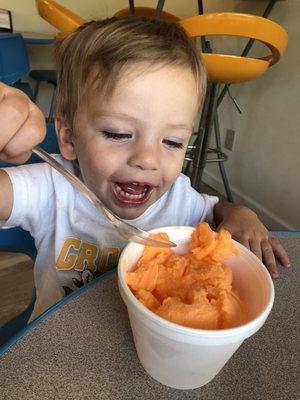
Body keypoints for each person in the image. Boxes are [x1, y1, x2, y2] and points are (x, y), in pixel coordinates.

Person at [0, 17, 290, 321]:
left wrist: (241, 214)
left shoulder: (178, 198)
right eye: (118, 134)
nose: (148, 159)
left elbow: (217, 212)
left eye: (173, 141)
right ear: (69, 137)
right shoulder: (52, 187)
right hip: (58, 343)